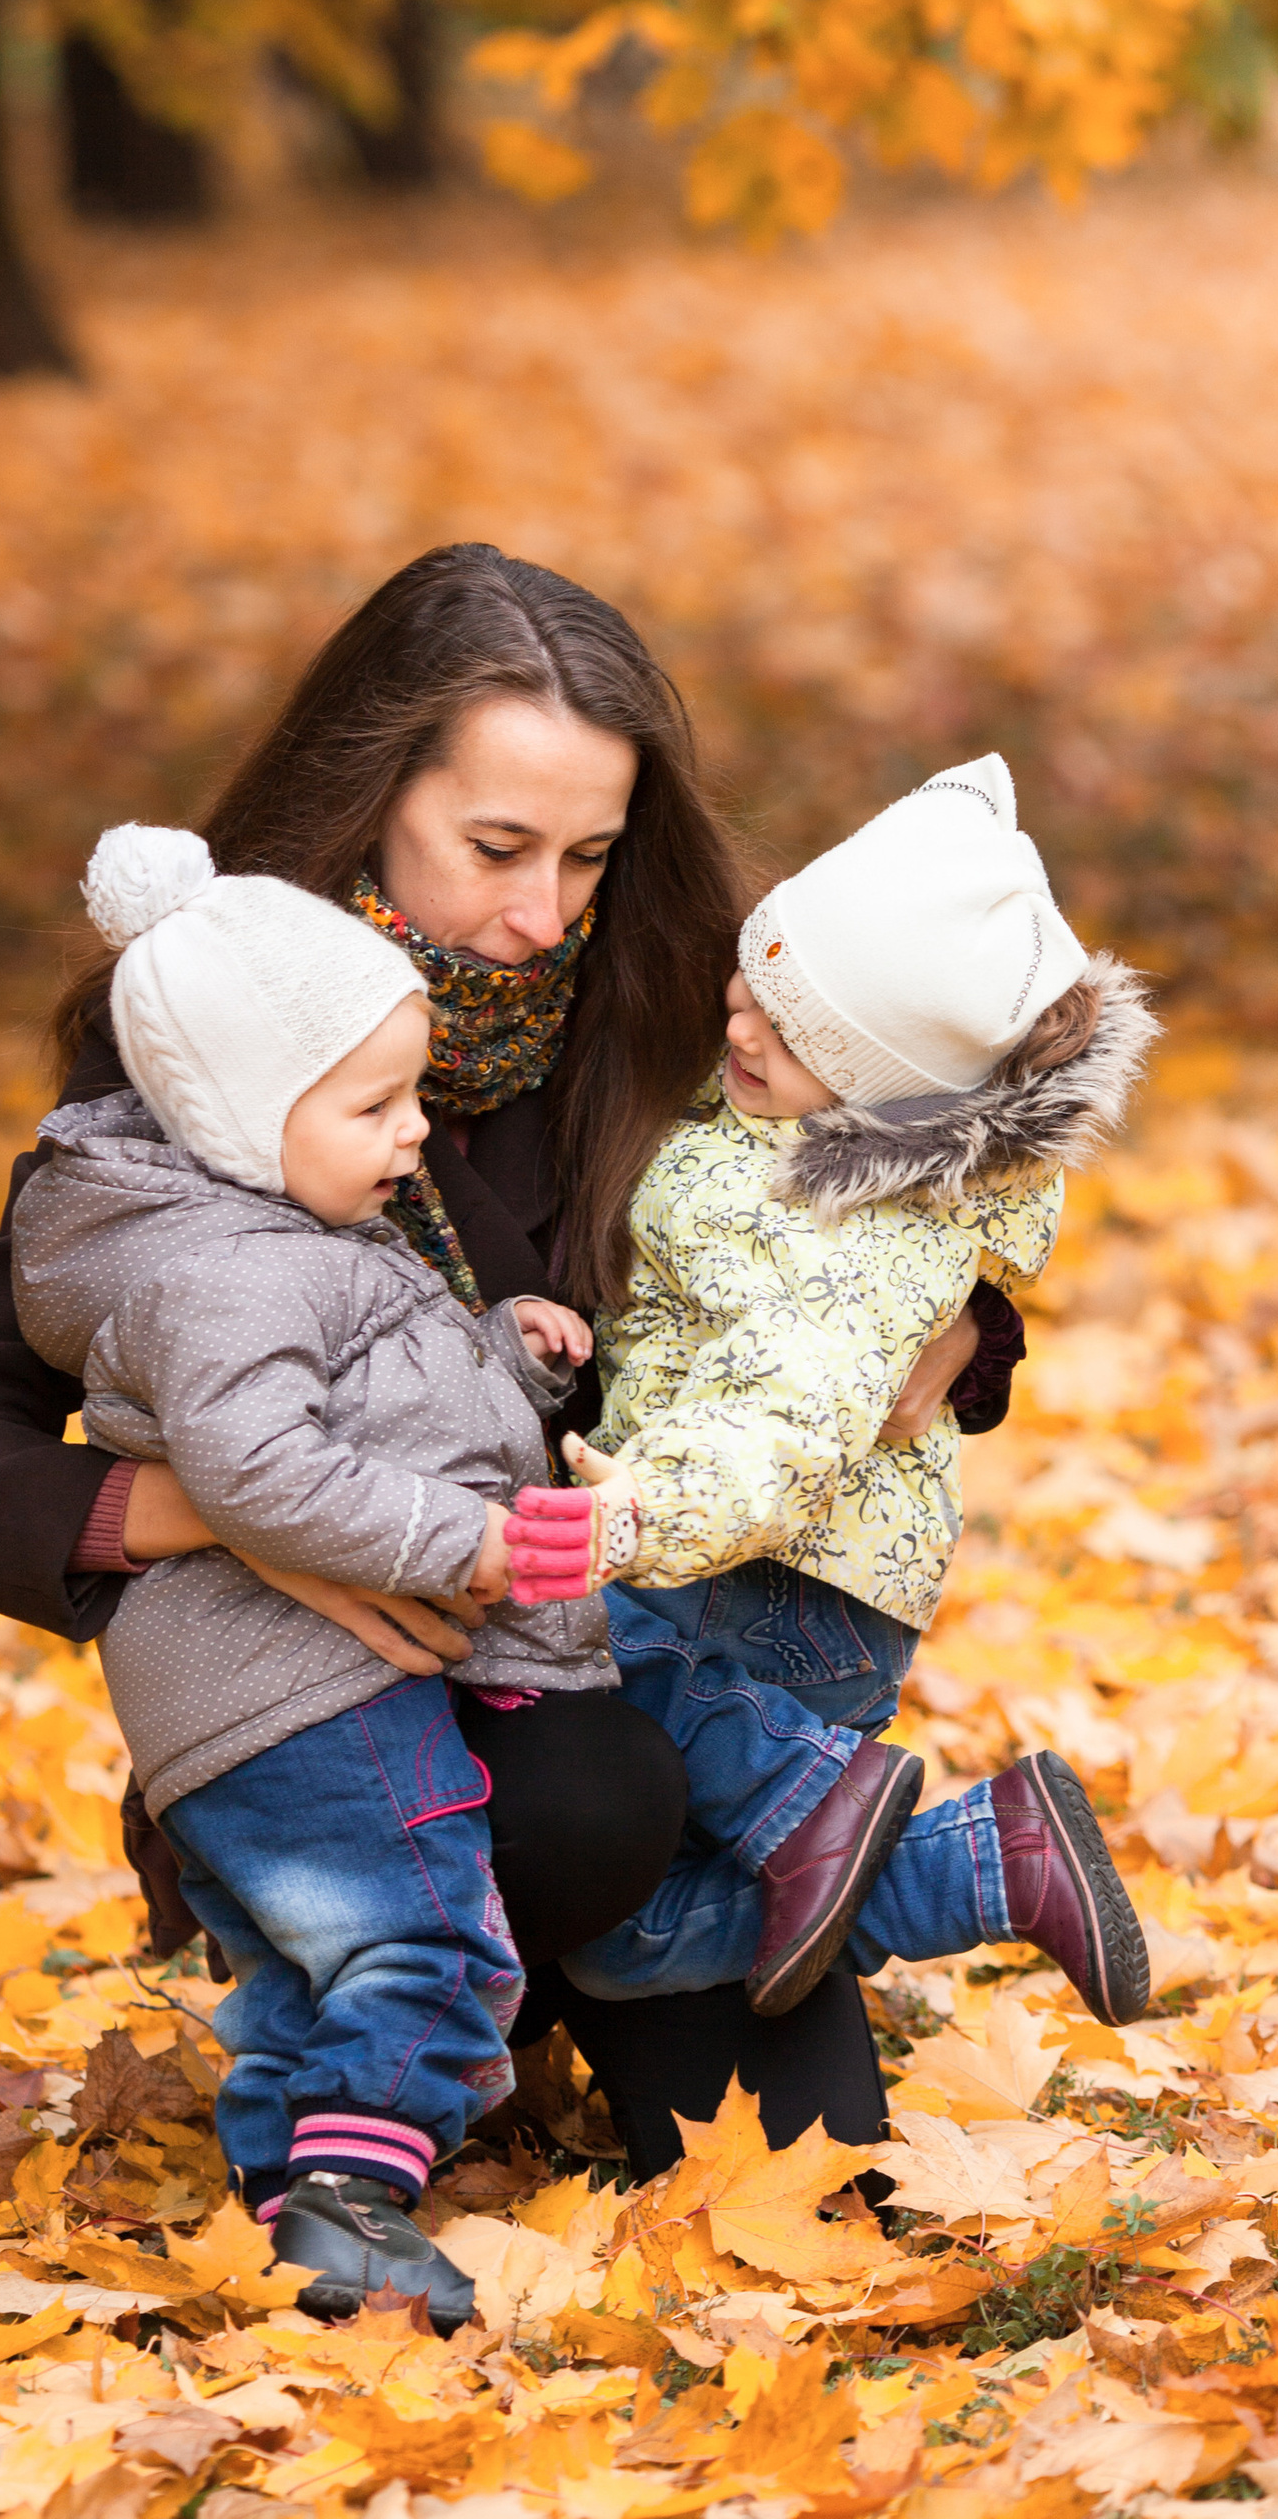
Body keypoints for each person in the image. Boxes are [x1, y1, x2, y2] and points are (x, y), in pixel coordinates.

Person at [0, 545, 982, 2171]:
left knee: (820, 2190)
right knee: (584, 1806)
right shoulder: (223, 1051)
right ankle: (381, 1996)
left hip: (639, 1676)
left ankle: (551, 1977)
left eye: (590, 855)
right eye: (497, 847)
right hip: (346, 1721)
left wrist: (969, 1316)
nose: (542, 915)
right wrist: (224, 1508)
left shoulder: (675, 1013)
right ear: (370, 800)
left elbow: (918, 1170)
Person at [10, 828, 615, 2328]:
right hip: (304, 1689)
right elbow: (258, 1466)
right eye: (376, 1104)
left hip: (241, 1701)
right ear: (235, 1112)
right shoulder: (234, 1266)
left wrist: (498, 1348)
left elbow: (358, 1385)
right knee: (429, 1940)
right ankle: (359, 2199)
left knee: (306, 1972)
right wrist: (457, 1542)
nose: (414, 1134)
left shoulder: (266, 1225)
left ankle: (297, 2213)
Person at [508, 758, 1158, 2029]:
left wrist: (643, 1512)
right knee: (623, 1942)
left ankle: (801, 1797)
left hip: (763, 1577)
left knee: (569, 1634)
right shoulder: (781, 1124)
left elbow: (788, 1412)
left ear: (883, 1085)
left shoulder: (849, 1220)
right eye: (755, 982)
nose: (745, 1028)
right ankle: (981, 1862)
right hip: (777, 1571)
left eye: (800, 1032)